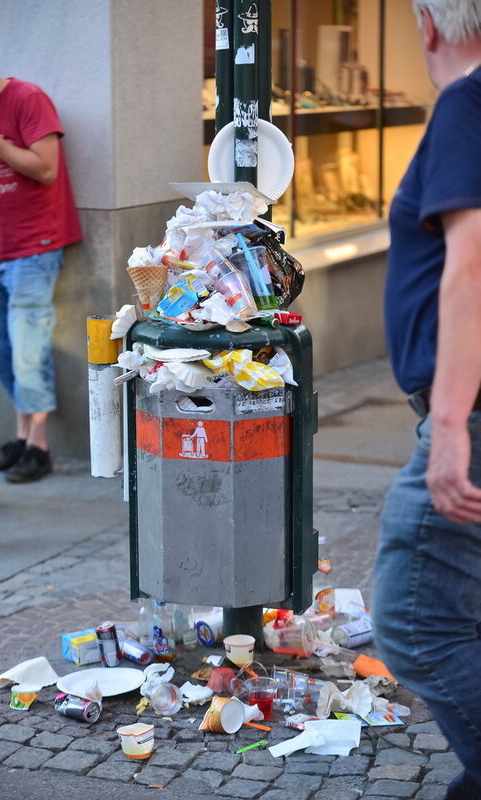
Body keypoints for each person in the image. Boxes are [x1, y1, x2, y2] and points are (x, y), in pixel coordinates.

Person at [372, 2, 481, 798]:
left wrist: (447, 424)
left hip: (471, 412)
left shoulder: (466, 101)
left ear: (427, 23)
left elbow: (470, 264)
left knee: (415, 625)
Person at [0, 47, 82, 483]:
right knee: (3, 355)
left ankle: (38, 445)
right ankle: (23, 438)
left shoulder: (27, 98)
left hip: (32, 248)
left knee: (28, 352)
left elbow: (45, 169)